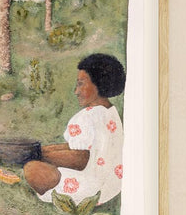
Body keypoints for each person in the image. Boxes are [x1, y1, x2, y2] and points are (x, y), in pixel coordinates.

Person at [23, 53, 125, 205]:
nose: (76, 91)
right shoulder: (111, 113)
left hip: (88, 190)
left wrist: (37, 156)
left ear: (99, 83)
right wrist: (41, 151)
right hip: (111, 187)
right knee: (42, 159)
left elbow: (80, 159)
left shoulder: (87, 117)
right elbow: (77, 148)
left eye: (81, 84)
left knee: (32, 169)